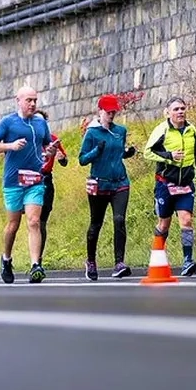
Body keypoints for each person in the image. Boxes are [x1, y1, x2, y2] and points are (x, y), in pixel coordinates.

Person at [0, 86, 54, 284]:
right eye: (29, 100)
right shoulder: (8, 122)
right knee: (13, 225)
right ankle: (6, 259)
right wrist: (10, 146)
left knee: (33, 221)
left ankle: (35, 266)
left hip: (35, 180)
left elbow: (46, 146)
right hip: (14, 181)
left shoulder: (41, 123)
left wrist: (50, 151)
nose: (32, 104)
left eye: (35, 100)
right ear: (18, 101)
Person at [143, 96, 196, 277]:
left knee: (186, 221)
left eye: (183, 108)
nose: (180, 112)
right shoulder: (162, 130)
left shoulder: (191, 129)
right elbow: (148, 152)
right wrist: (169, 156)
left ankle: (187, 261)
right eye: (176, 109)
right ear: (168, 112)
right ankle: (157, 256)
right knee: (164, 224)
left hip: (185, 184)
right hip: (165, 183)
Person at [80, 94, 137, 280]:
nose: (112, 115)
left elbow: (119, 153)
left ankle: (119, 263)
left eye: (114, 112)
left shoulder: (120, 131)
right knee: (96, 223)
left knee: (119, 219)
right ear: (100, 111)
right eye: (108, 112)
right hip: (99, 184)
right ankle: (90, 261)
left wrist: (128, 153)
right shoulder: (92, 133)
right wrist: (97, 150)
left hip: (120, 182)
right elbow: (82, 159)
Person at [35, 110, 68, 265]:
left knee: (41, 221)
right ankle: (8, 258)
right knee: (30, 221)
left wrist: (61, 158)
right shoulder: (26, 140)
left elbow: (64, 161)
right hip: (28, 181)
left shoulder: (53, 140)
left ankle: (37, 260)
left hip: (46, 181)